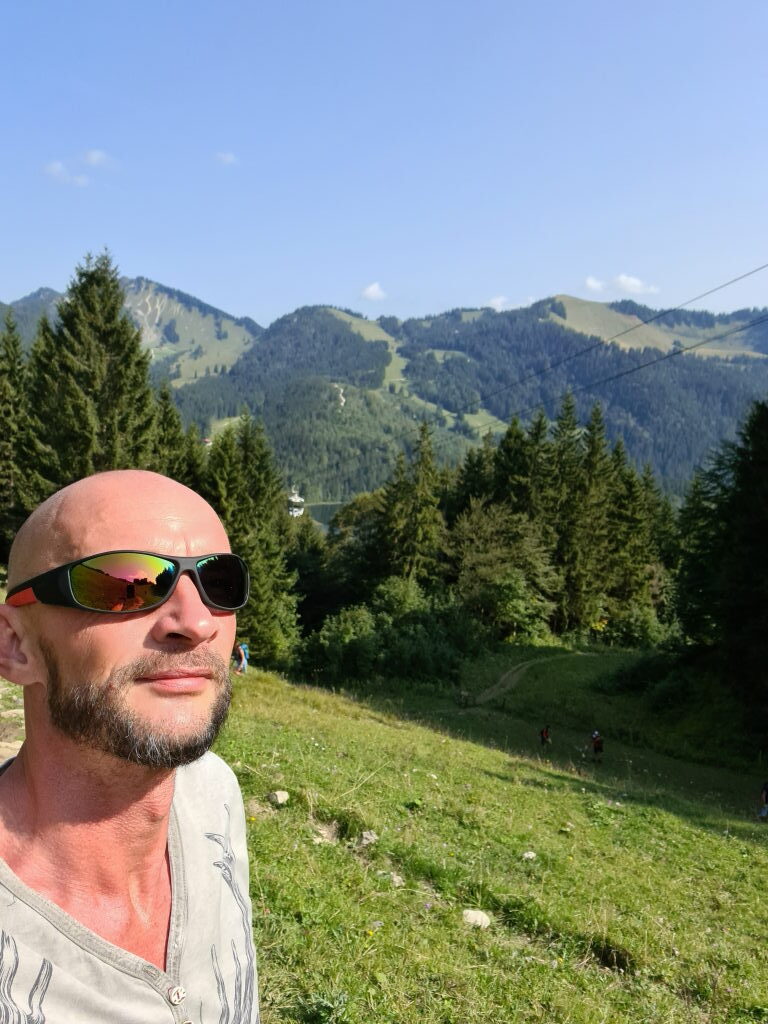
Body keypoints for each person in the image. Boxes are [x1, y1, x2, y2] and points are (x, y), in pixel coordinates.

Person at [0, 470, 259, 1022]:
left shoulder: (213, 795)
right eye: (125, 584)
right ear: (15, 645)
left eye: (219, 581)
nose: (196, 622)